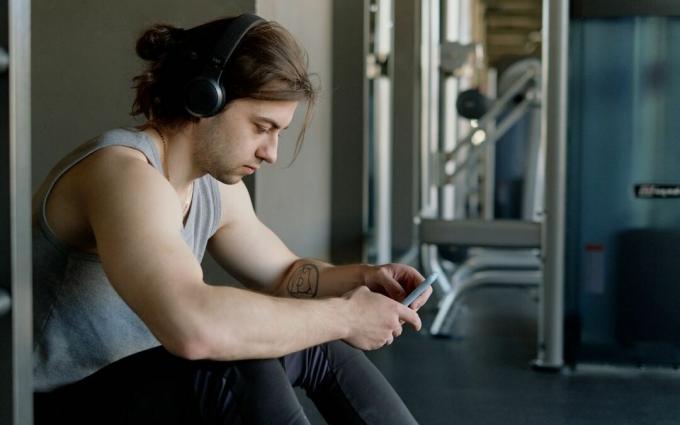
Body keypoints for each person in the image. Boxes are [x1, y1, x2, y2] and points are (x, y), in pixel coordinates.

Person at [32, 13, 432, 425]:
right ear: (206, 98)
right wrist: (345, 315)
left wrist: (363, 279)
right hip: (55, 404)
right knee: (239, 360)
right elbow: (193, 325)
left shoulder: (214, 188)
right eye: (262, 127)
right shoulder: (124, 175)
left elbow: (285, 274)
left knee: (317, 342)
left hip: (141, 392)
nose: (271, 152)